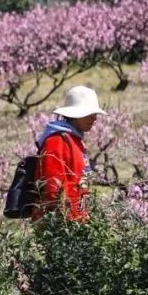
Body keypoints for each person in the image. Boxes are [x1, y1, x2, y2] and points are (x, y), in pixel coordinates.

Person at [32, 85, 106, 222]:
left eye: (95, 115)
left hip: (75, 219)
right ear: (76, 115)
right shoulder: (57, 140)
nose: (94, 119)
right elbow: (51, 184)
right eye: (90, 114)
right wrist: (61, 219)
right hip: (60, 223)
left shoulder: (75, 140)